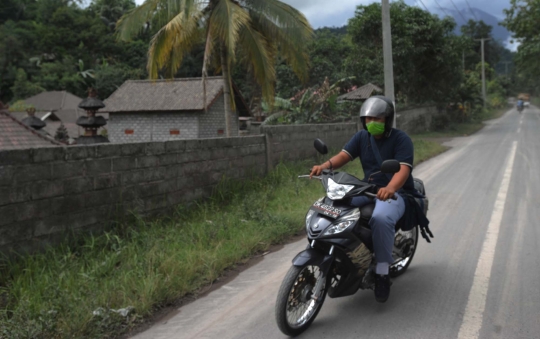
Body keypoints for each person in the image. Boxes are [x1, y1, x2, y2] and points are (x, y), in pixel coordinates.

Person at [310, 95, 415, 303]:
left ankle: (382, 272)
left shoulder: (401, 140)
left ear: (387, 120)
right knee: (335, 207)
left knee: (381, 219)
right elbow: (344, 156)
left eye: (377, 119)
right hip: (366, 189)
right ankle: (347, 252)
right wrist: (325, 166)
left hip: (394, 193)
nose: (372, 123)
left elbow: (403, 170)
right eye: (368, 119)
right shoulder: (361, 137)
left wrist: (390, 187)